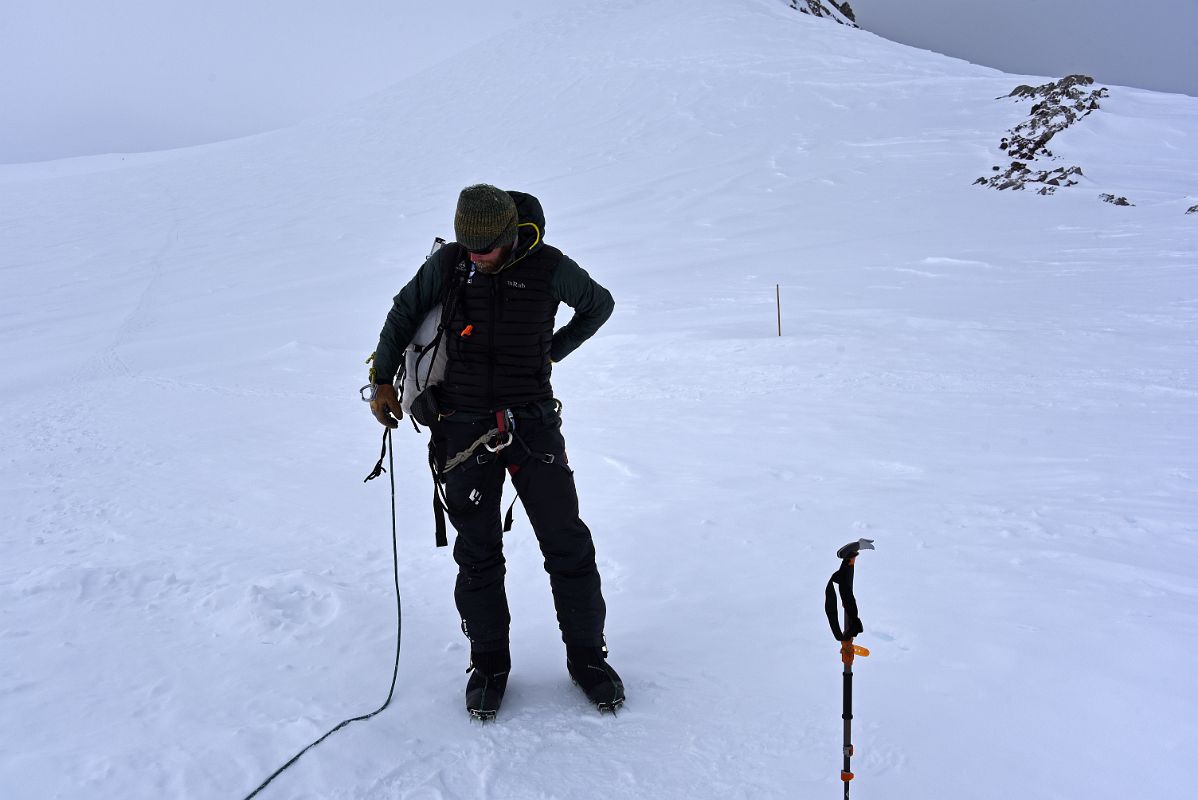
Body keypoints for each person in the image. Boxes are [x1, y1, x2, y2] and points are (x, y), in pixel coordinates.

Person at [367, 184, 623, 719]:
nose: (476, 255)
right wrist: (383, 380)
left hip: (532, 424)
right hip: (460, 427)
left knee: (566, 542)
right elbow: (403, 310)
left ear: (509, 236)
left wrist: (551, 351)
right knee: (477, 552)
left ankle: (587, 659)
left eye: (486, 246)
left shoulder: (551, 266)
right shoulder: (450, 263)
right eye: (469, 245)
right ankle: (489, 665)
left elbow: (598, 304)